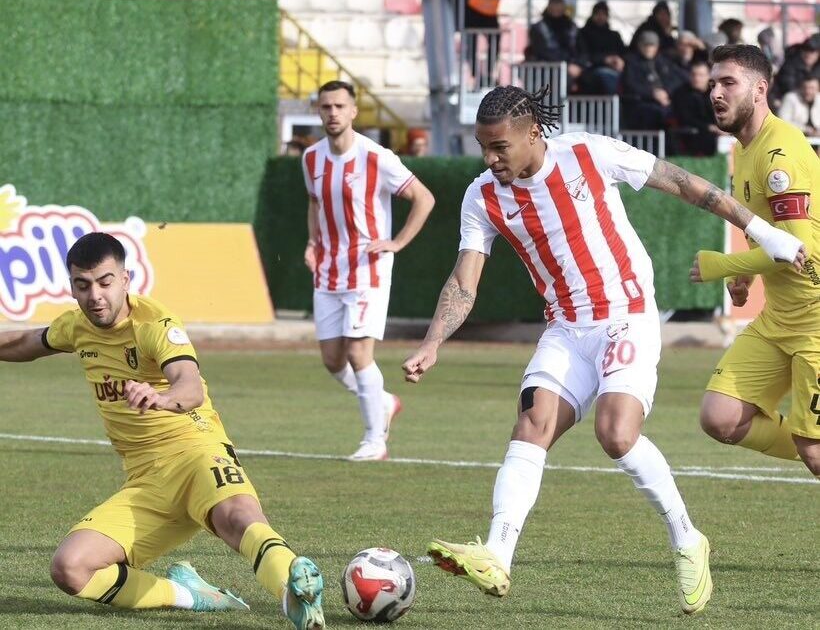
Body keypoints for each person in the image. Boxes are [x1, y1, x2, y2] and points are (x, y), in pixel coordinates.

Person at [401, 85, 804, 612]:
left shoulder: (589, 154)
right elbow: (464, 280)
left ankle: (687, 538)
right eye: (483, 147)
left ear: (532, 134)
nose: (490, 158)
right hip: (566, 328)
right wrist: (433, 342)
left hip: (626, 316)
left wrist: (763, 232)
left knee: (615, 433)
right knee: (532, 424)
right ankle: (498, 553)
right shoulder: (482, 196)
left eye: (499, 146)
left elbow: (683, 184)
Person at [0, 233, 325, 630]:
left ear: (126, 278)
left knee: (238, 517)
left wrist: (161, 398)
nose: (94, 296)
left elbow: (188, 383)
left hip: (196, 452)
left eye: (105, 282)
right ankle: (192, 595)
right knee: (71, 568)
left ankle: (294, 594)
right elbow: (24, 342)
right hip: (145, 481)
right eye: (82, 285)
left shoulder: (156, 324)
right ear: (71, 286)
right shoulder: (76, 327)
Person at [692, 44, 820, 476]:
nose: (716, 93)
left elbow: (797, 249)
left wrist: (722, 266)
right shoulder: (744, 147)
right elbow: (765, 226)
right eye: (712, 84)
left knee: (815, 450)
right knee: (720, 416)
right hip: (780, 317)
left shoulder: (777, 153)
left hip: (816, 319)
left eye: (728, 83)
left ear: (759, 89)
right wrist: (746, 277)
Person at [302, 80, 435, 461]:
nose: (333, 113)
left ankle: (374, 440)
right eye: (326, 107)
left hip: (368, 269)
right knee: (332, 360)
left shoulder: (377, 157)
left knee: (360, 353)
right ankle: (384, 400)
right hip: (328, 269)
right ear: (319, 111)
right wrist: (312, 243)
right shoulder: (311, 159)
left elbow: (424, 199)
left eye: (340, 106)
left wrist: (397, 243)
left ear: (353, 111)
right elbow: (315, 204)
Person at [621, 30, 686, 130]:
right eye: (646, 45)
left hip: (666, 101)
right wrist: (653, 94)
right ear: (639, 46)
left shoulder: (664, 61)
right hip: (642, 103)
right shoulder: (631, 62)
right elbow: (630, 85)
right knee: (659, 114)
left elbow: (679, 78)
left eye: (652, 45)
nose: (649, 49)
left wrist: (665, 92)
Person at [525, 0, 583, 88]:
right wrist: (566, 65)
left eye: (559, 7)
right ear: (548, 8)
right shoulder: (538, 28)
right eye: (554, 7)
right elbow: (541, 51)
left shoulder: (572, 27)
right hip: (548, 67)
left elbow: (582, 49)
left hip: (573, 66)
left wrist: (579, 65)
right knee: (560, 79)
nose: (556, 10)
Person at [576, 0, 626, 95]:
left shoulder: (614, 35)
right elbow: (584, 55)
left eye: (604, 14)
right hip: (592, 71)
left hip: (615, 69)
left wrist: (620, 60)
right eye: (598, 14)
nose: (601, 17)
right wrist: (604, 60)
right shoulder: (583, 33)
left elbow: (623, 53)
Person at [672, 60, 720, 155]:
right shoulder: (680, 94)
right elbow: (685, 118)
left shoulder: (716, 92)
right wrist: (709, 127)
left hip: (720, 131)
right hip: (692, 135)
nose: (696, 78)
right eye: (693, 75)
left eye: (701, 75)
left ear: (709, 76)